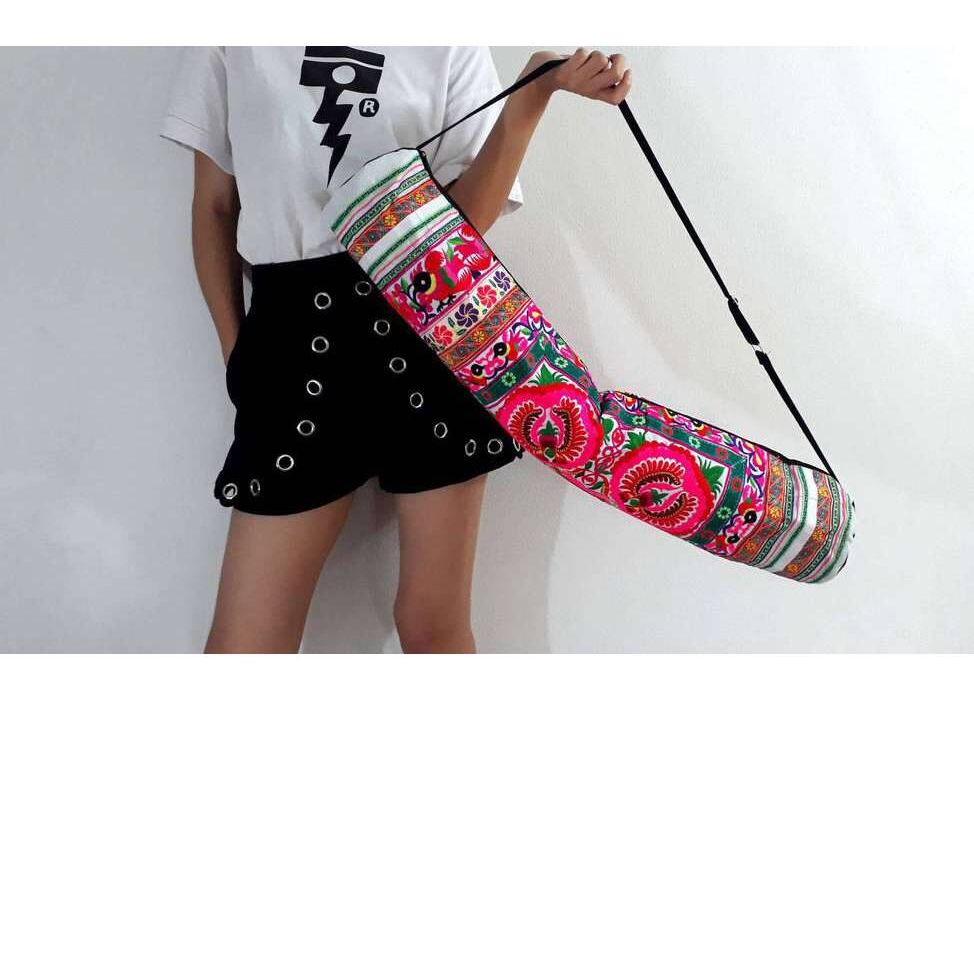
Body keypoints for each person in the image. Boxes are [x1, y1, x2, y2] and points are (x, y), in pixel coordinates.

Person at [159, 46, 632, 654]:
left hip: (430, 332)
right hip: (294, 347)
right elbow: (215, 206)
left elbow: (465, 222)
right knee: (246, 642)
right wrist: (237, 359)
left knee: (433, 627)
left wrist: (530, 98)